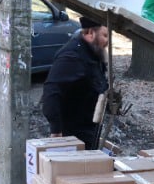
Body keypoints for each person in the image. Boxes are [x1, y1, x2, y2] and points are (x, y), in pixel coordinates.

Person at [40, 16, 110, 149]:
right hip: (73, 134)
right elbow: (51, 92)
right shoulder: (72, 56)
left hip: (89, 128)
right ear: (90, 33)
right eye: (105, 35)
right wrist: (56, 131)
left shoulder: (93, 53)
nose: (107, 42)